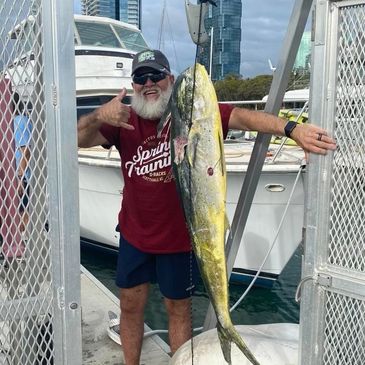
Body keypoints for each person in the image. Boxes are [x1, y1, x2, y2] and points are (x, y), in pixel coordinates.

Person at [78, 49, 336, 365]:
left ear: (169, 80)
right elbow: (76, 138)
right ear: (133, 85)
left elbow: (245, 117)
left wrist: (293, 130)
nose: (149, 83)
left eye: (156, 75)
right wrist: (97, 116)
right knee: (130, 306)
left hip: (181, 236)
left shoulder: (194, 114)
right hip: (135, 233)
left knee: (179, 308)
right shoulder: (124, 120)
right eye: (140, 77)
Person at [13, 92, 32, 233]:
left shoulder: (19, 121)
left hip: (22, 177)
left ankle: (23, 241)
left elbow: (26, 150)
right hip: (17, 176)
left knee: (22, 212)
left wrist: (20, 177)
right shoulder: (16, 121)